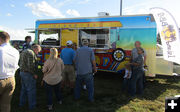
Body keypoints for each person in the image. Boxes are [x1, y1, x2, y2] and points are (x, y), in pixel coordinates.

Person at [0, 31, 19, 112]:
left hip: (1, 79)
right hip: (11, 79)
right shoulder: (15, 51)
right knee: (6, 105)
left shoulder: (1, 50)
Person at [19, 44, 41, 110]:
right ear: (35, 49)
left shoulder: (24, 51)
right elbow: (30, 65)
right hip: (28, 73)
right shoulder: (31, 53)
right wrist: (34, 74)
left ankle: (22, 104)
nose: (38, 53)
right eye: (38, 51)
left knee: (24, 89)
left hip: (22, 72)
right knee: (31, 90)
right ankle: (32, 106)